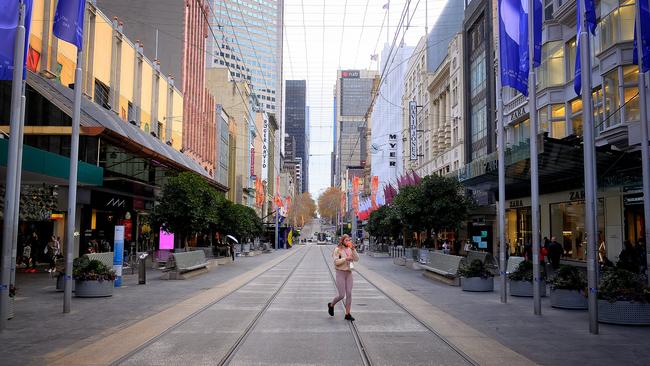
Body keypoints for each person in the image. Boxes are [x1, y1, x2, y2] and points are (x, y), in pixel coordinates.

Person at [328, 234, 359, 321]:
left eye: (349, 240)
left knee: (349, 293)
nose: (348, 242)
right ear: (342, 241)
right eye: (346, 240)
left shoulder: (350, 249)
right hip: (340, 273)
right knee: (342, 295)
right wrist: (346, 259)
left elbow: (357, 259)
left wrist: (353, 249)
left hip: (349, 273)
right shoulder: (337, 250)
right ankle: (331, 305)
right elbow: (336, 262)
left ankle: (347, 313)